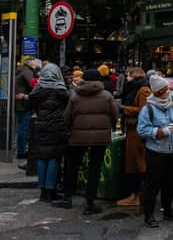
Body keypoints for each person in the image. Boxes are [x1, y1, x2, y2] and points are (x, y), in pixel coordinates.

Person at [52, 69, 118, 213]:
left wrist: (70, 129)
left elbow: (67, 117)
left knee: (72, 166)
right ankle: (90, 202)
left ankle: (67, 197)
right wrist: (109, 126)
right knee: (95, 168)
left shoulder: (75, 96)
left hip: (78, 136)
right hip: (100, 137)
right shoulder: (106, 96)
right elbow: (115, 114)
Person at [137, 75, 173, 228]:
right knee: (152, 185)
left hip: (170, 151)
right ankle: (148, 216)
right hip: (155, 152)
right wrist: (160, 132)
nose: (168, 92)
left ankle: (168, 211)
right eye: (165, 90)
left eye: (168, 89)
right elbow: (142, 130)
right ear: (158, 92)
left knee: (170, 184)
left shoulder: (170, 104)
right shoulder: (148, 108)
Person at [29, 63, 69, 202]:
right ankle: (50, 189)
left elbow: (31, 105)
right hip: (57, 126)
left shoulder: (37, 90)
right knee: (54, 157)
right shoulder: (62, 90)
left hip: (41, 125)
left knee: (42, 157)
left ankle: (42, 190)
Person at [118, 67, 152, 207]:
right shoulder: (135, 88)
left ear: (134, 75)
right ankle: (137, 194)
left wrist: (124, 109)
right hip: (133, 130)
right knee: (135, 163)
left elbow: (144, 110)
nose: (126, 78)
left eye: (128, 75)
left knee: (137, 164)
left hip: (137, 131)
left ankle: (137, 195)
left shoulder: (143, 90)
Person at [15, 58, 36, 160]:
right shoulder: (27, 72)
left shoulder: (20, 70)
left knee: (20, 128)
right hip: (24, 104)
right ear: (31, 64)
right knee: (24, 129)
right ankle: (22, 151)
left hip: (19, 104)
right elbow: (34, 86)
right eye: (35, 62)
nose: (36, 64)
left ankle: (20, 149)